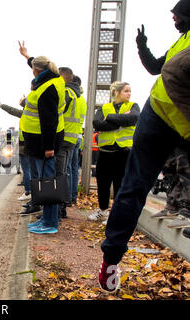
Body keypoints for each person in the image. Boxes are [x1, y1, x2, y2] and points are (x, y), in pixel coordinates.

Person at [99, 0, 190, 292]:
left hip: (167, 116)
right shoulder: (184, 41)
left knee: (135, 186)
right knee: (134, 186)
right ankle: (111, 259)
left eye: (178, 16)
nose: (174, 19)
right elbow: (160, 69)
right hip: (160, 118)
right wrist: (143, 46)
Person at [17, 41, 65, 234]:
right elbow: (36, 64)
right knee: (44, 183)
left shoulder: (47, 89)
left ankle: (50, 223)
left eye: (32, 67)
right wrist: (26, 56)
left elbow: (49, 121)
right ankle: (46, 218)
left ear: (36, 71)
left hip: (44, 142)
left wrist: (48, 147)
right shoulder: (51, 78)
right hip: (40, 141)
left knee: (47, 184)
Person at [89, 81, 140, 222]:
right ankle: (103, 209)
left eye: (130, 91)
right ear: (116, 92)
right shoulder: (104, 107)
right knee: (103, 183)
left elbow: (133, 118)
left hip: (123, 151)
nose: (129, 94)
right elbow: (97, 124)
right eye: (126, 91)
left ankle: (115, 213)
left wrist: (110, 118)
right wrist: (122, 119)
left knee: (120, 183)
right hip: (105, 151)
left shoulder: (133, 106)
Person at [57, 67, 81, 219]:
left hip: (63, 137)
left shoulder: (66, 93)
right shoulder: (76, 94)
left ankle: (57, 212)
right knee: (64, 174)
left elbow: (55, 110)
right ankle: (62, 208)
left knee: (59, 175)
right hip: (71, 138)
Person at [67, 76, 87, 205]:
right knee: (74, 169)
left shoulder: (71, 96)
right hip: (78, 136)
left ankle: (67, 197)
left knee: (67, 168)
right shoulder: (82, 99)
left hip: (68, 136)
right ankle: (73, 196)